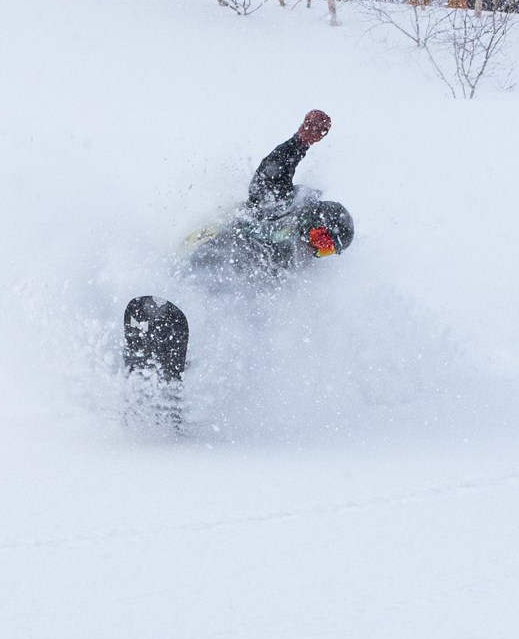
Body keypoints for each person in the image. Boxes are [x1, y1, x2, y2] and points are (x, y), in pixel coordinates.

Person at [123, 110, 354, 426]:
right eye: (321, 238)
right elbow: (269, 175)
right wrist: (300, 141)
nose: (316, 249)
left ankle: (178, 382)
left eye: (326, 250)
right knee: (215, 287)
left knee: (234, 324)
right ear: (312, 221)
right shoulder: (281, 207)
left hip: (234, 285)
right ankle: (157, 333)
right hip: (214, 251)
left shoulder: (298, 265)